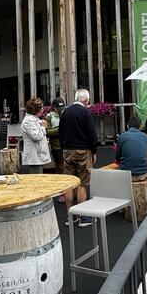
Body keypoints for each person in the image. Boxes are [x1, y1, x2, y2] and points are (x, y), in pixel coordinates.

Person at [60, 88, 98, 220]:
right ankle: (83, 216)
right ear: (86, 100)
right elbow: (92, 134)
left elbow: (60, 132)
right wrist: (94, 151)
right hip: (83, 151)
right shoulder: (85, 112)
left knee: (69, 184)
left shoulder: (65, 112)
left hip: (67, 151)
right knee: (82, 183)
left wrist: (63, 148)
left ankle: (70, 216)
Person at [115, 114, 147, 185]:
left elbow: (117, 158)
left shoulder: (121, 137)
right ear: (140, 127)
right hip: (143, 173)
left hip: (126, 175)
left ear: (127, 125)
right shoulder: (145, 136)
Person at [20, 97, 52, 174]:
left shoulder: (33, 119)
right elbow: (36, 136)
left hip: (37, 155)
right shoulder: (28, 121)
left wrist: (41, 124)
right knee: (36, 180)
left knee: (38, 179)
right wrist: (43, 127)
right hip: (34, 157)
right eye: (41, 108)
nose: (42, 110)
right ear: (35, 110)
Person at [45, 97, 65, 173]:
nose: (60, 110)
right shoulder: (49, 116)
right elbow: (47, 132)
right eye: (58, 108)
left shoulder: (66, 114)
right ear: (54, 108)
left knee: (67, 167)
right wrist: (59, 130)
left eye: (62, 107)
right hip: (56, 146)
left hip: (66, 145)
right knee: (60, 167)